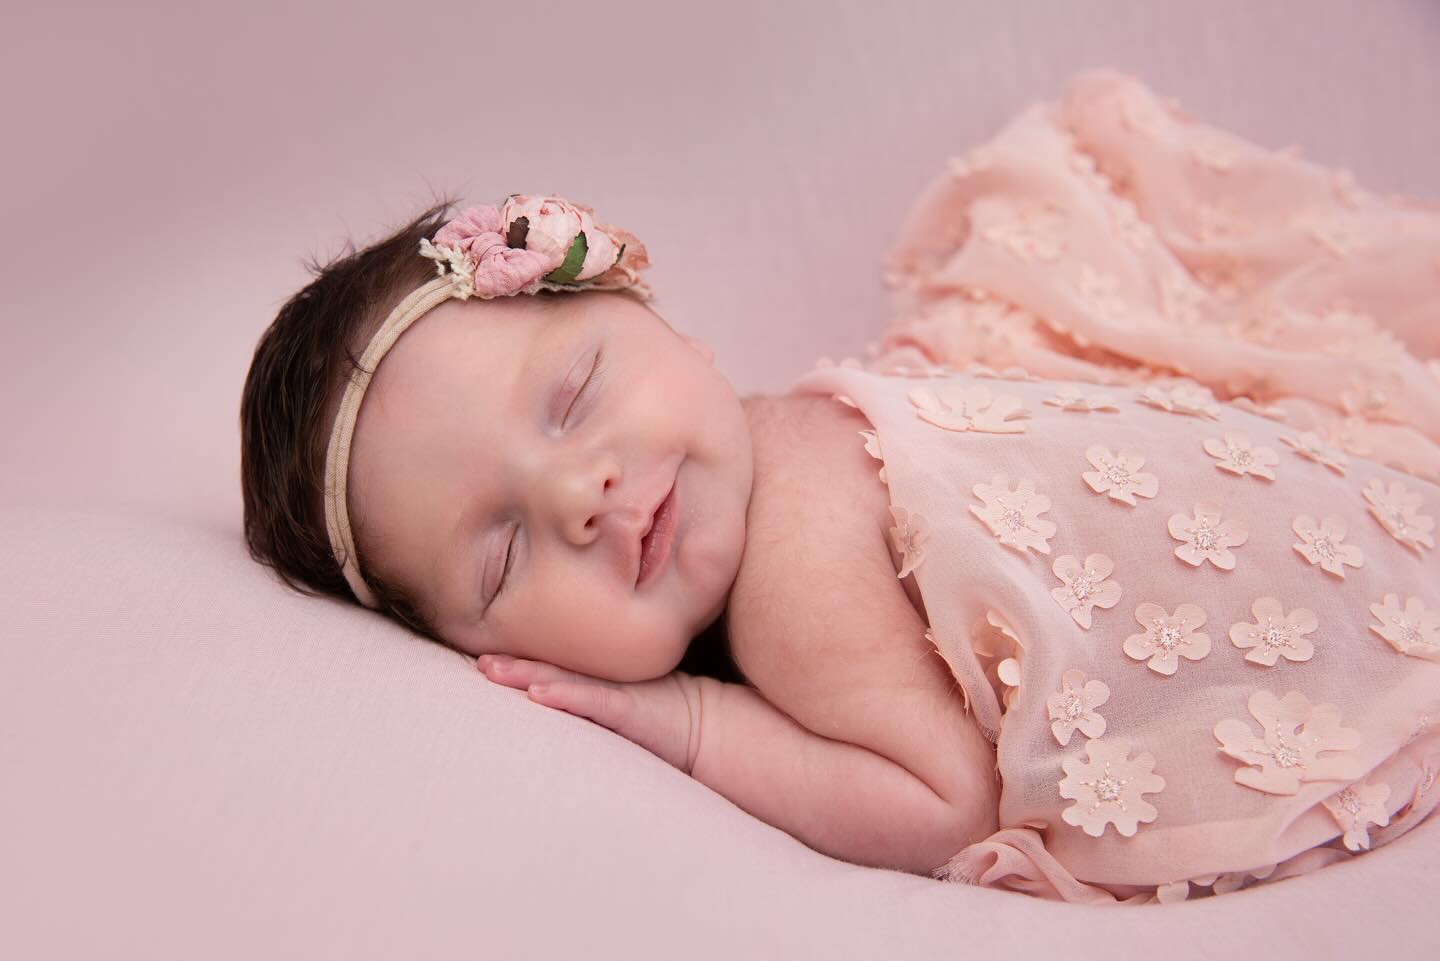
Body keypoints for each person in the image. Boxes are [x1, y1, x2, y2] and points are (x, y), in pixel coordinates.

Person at [240, 71, 1440, 903]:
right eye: (502, 553)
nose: (581, 495)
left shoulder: (791, 586)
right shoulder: (785, 435)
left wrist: (697, 724)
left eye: (575, 395)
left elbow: (943, 801)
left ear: (656, 318)